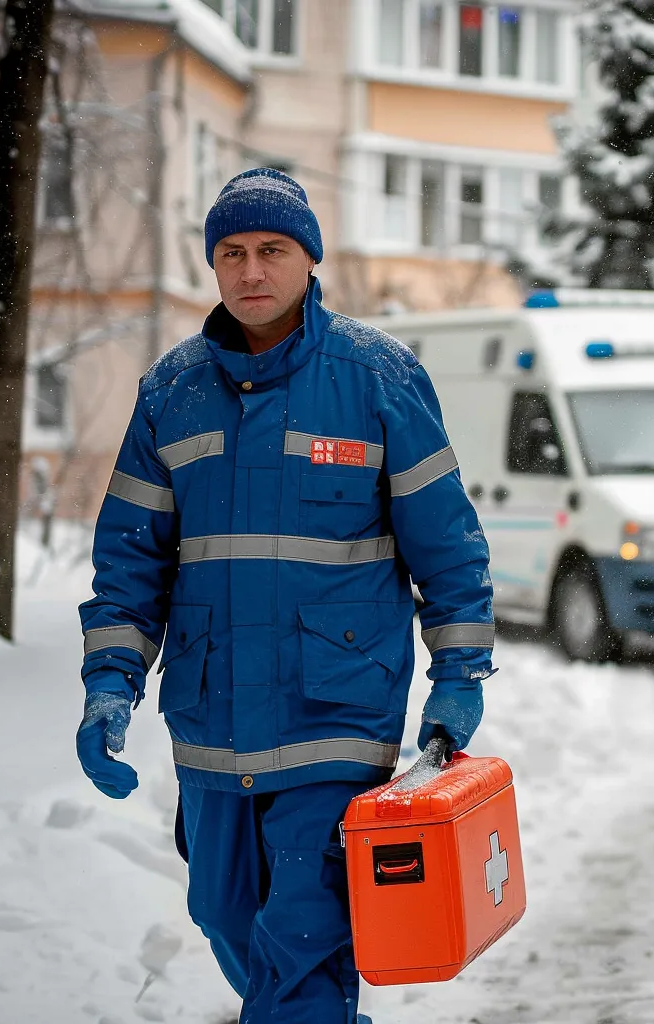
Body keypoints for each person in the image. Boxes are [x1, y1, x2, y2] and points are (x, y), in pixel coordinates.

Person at [75, 168, 495, 1023]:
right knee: (223, 915)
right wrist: (109, 684)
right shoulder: (171, 393)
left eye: (272, 250)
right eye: (231, 252)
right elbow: (130, 562)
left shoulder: (377, 378)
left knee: (302, 939)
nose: (252, 270)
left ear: (310, 259)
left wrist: (459, 674)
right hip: (212, 721)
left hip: (333, 714)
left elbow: (448, 547)